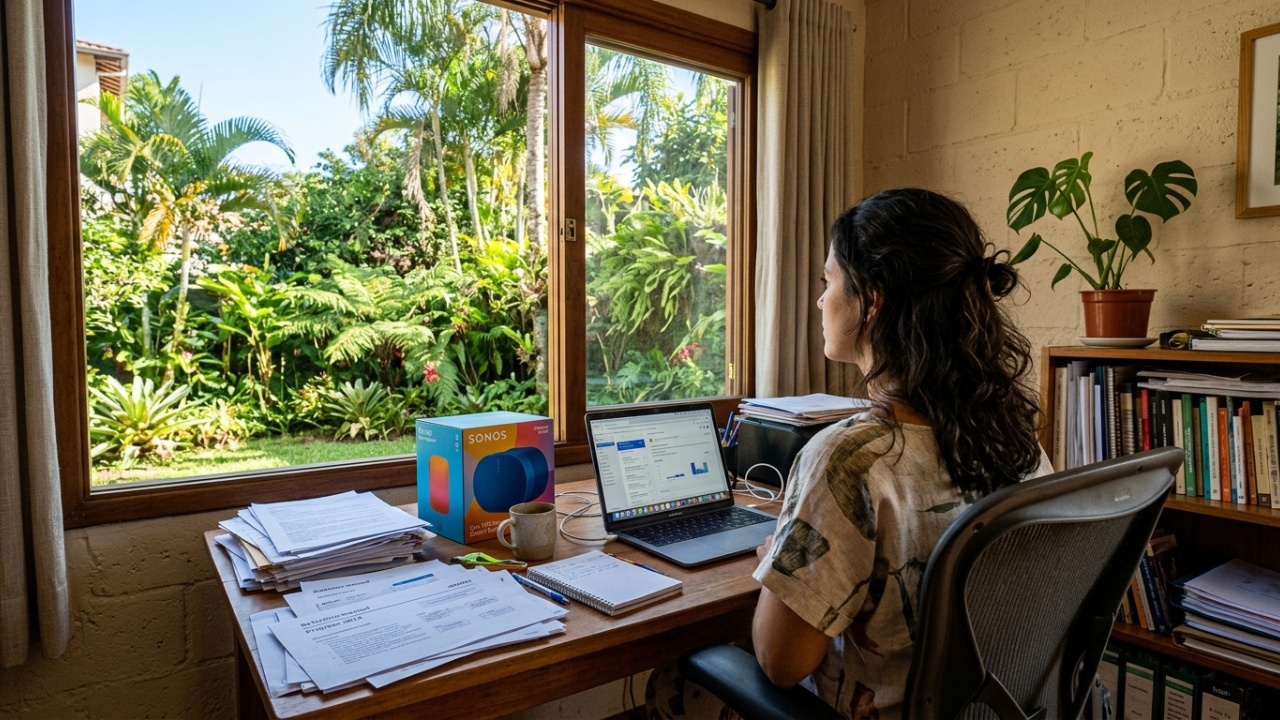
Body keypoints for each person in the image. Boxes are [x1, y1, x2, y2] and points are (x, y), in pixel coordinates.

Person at [748, 187, 1051, 719]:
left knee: (677, 682)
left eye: (829, 281)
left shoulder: (849, 459)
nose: (821, 300)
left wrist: (780, 559)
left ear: (873, 298)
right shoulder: (1017, 439)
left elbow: (780, 661)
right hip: (994, 708)